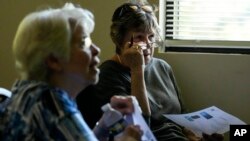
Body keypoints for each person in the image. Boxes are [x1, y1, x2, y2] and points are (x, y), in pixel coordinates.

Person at [76, 0, 224, 141]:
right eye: (140, 37)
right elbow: (139, 127)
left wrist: (193, 135)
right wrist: (137, 69)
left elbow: (182, 116)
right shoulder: (107, 75)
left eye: (151, 37)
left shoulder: (162, 67)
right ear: (120, 40)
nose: (148, 45)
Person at [0, 3, 142, 141]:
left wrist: (103, 126)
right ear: (54, 60)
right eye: (83, 43)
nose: (96, 49)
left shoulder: (28, 92)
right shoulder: (53, 106)